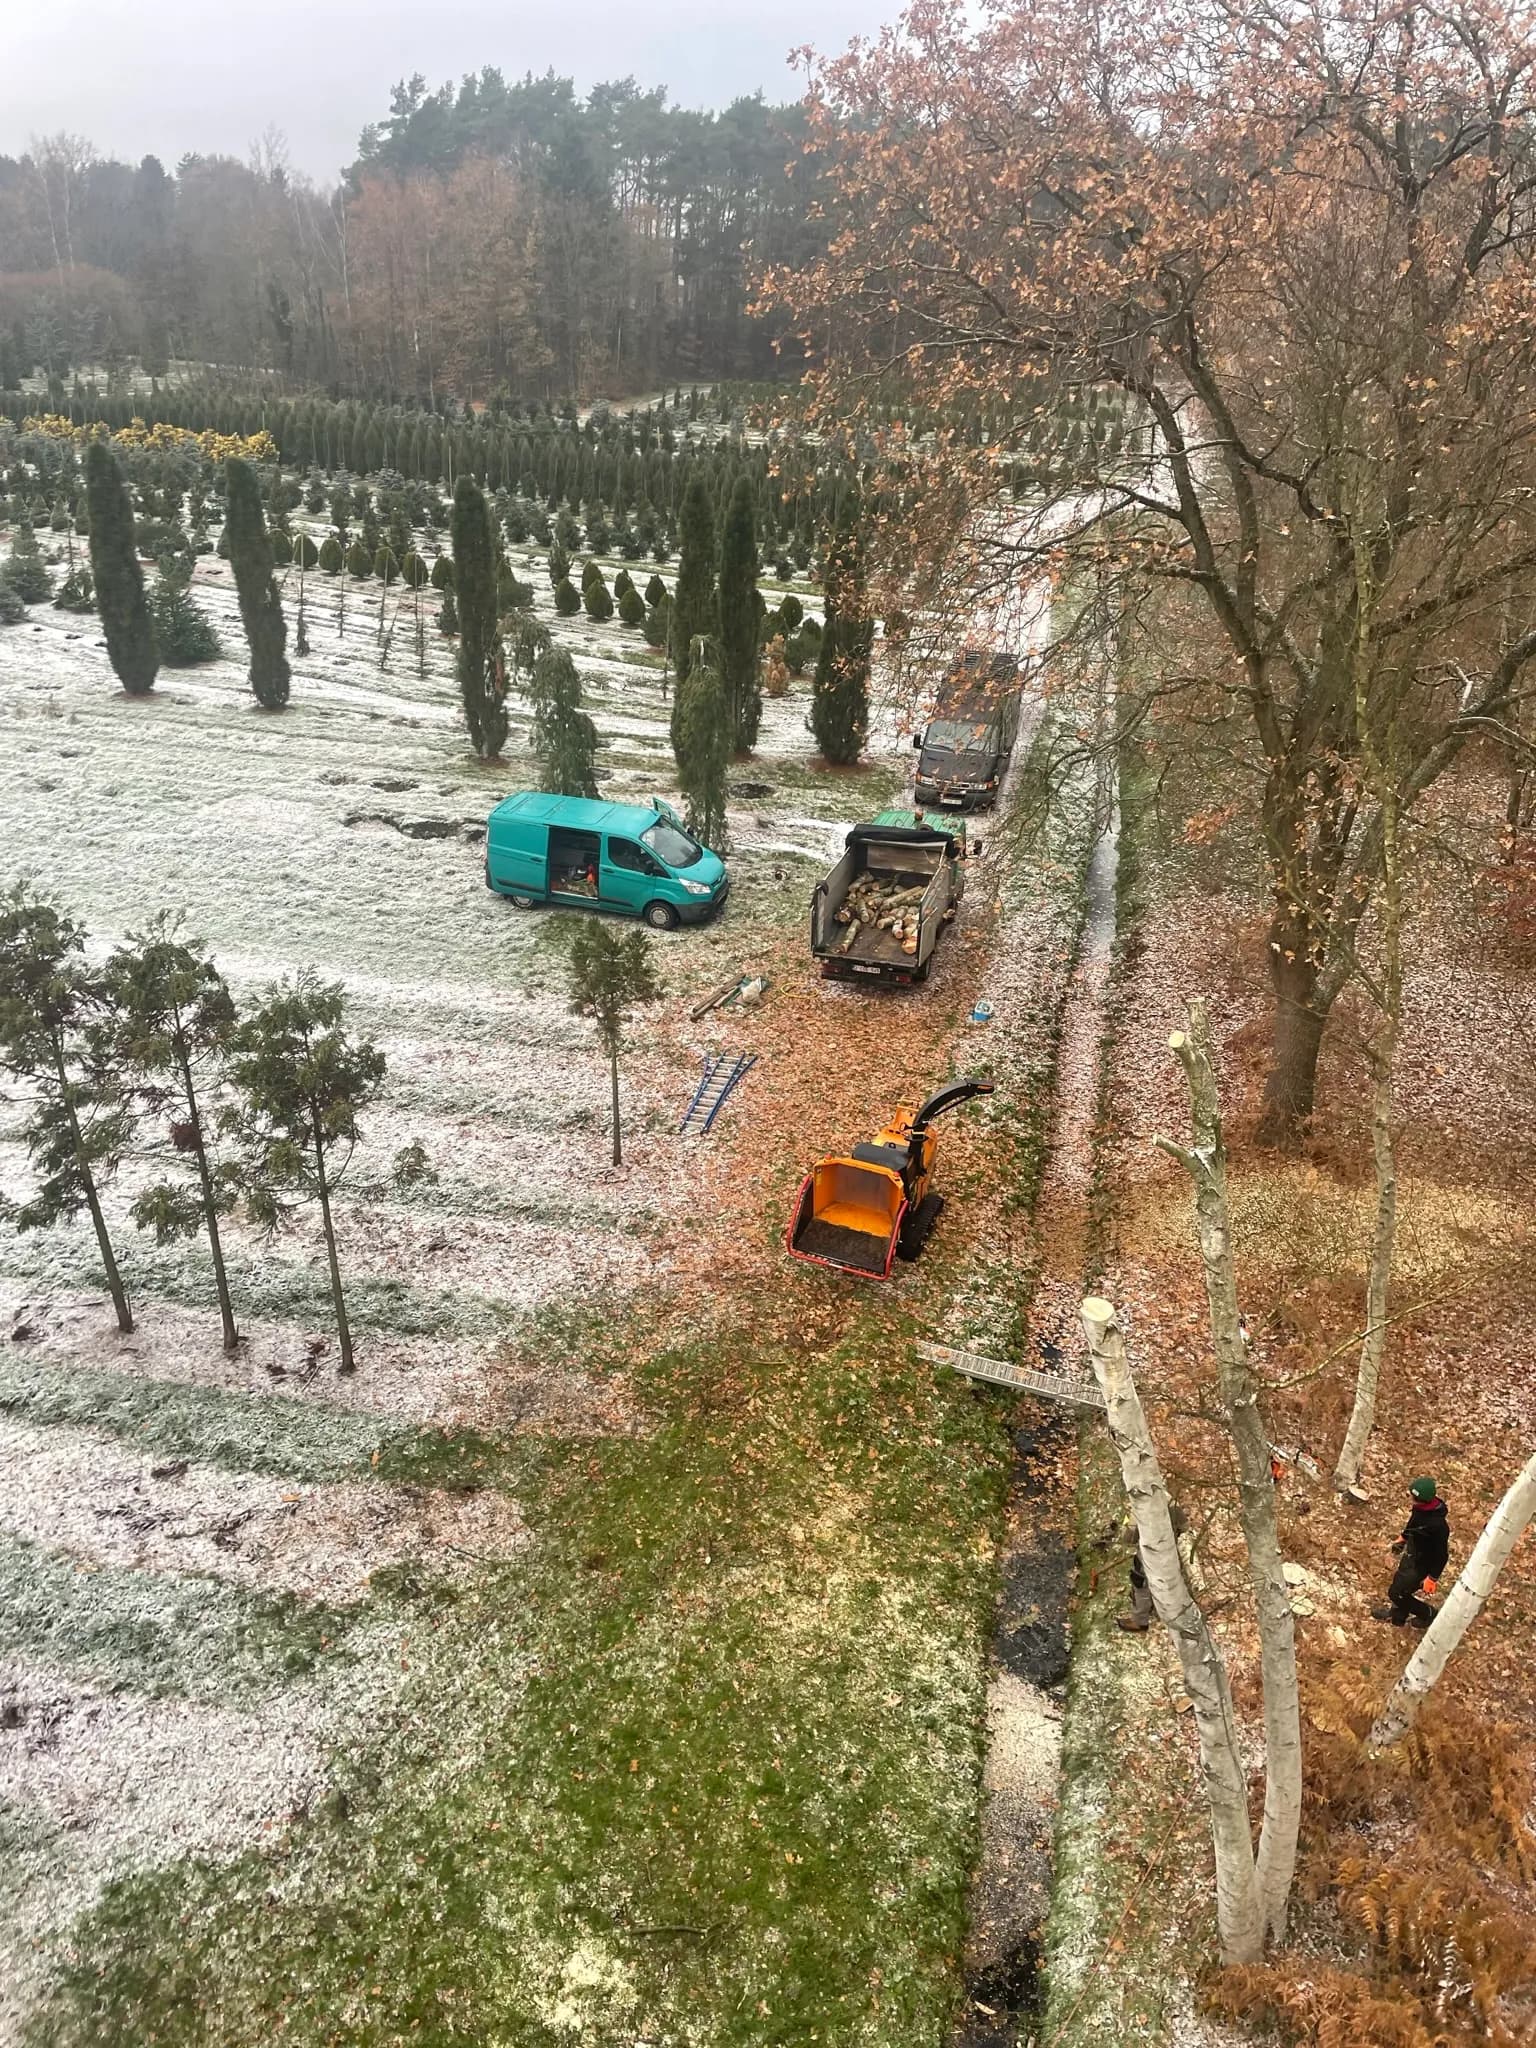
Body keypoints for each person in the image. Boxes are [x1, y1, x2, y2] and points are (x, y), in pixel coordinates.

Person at [1373, 1477, 1450, 1628]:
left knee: (1397, 1593)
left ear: (1424, 1501)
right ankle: (1397, 1617)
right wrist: (1404, 1537)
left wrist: (1432, 1578)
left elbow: (1442, 1555)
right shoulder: (1420, 1508)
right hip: (1412, 1554)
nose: (1412, 1500)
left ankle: (1429, 1614)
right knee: (1400, 1585)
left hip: (1422, 1565)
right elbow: (1413, 1522)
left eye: (1415, 1498)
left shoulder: (1439, 1526)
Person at [1119, 1501, 1187, 1633]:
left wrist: (1127, 1520)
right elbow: (1184, 1526)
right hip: (1169, 1553)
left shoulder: (1139, 1508)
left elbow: (1128, 1538)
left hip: (1148, 1555)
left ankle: (1139, 1621)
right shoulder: (1171, 1501)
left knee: (1140, 1583)